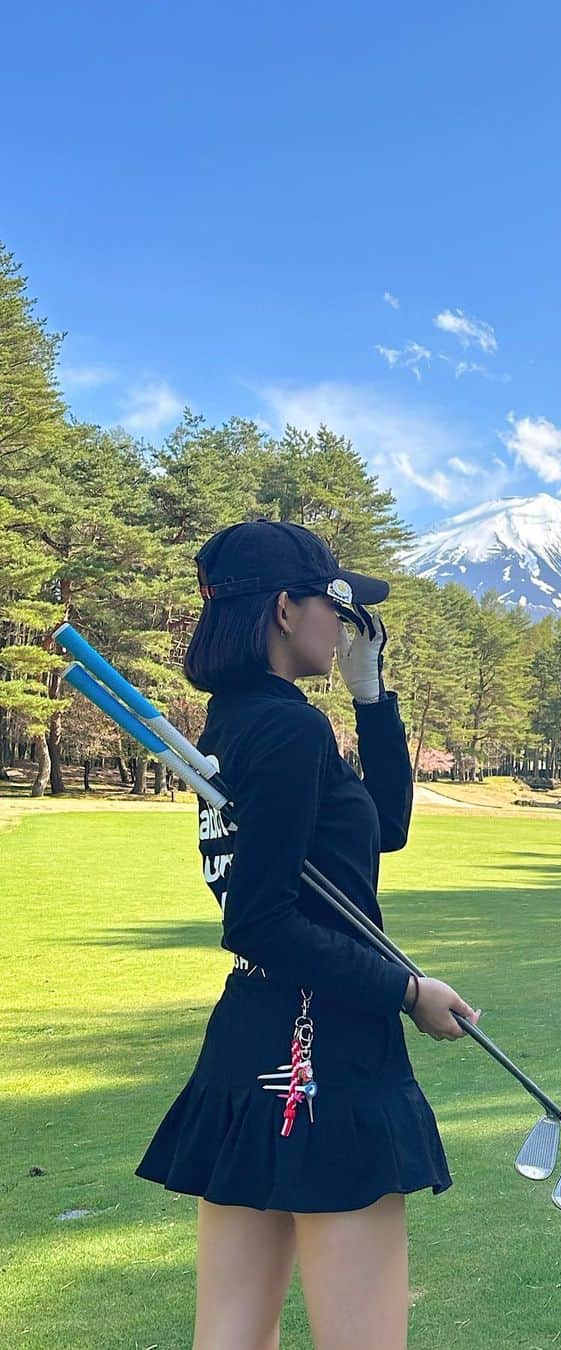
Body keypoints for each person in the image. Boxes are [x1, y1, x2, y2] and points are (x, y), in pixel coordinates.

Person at [134, 518, 479, 1349]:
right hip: (326, 1049)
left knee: (230, 1336)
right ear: (288, 610)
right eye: (337, 605)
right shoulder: (288, 728)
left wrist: (373, 695)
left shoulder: (242, 719)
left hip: (249, 1035)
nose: (346, 623)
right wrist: (407, 991)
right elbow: (260, 918)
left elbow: (383, 826)